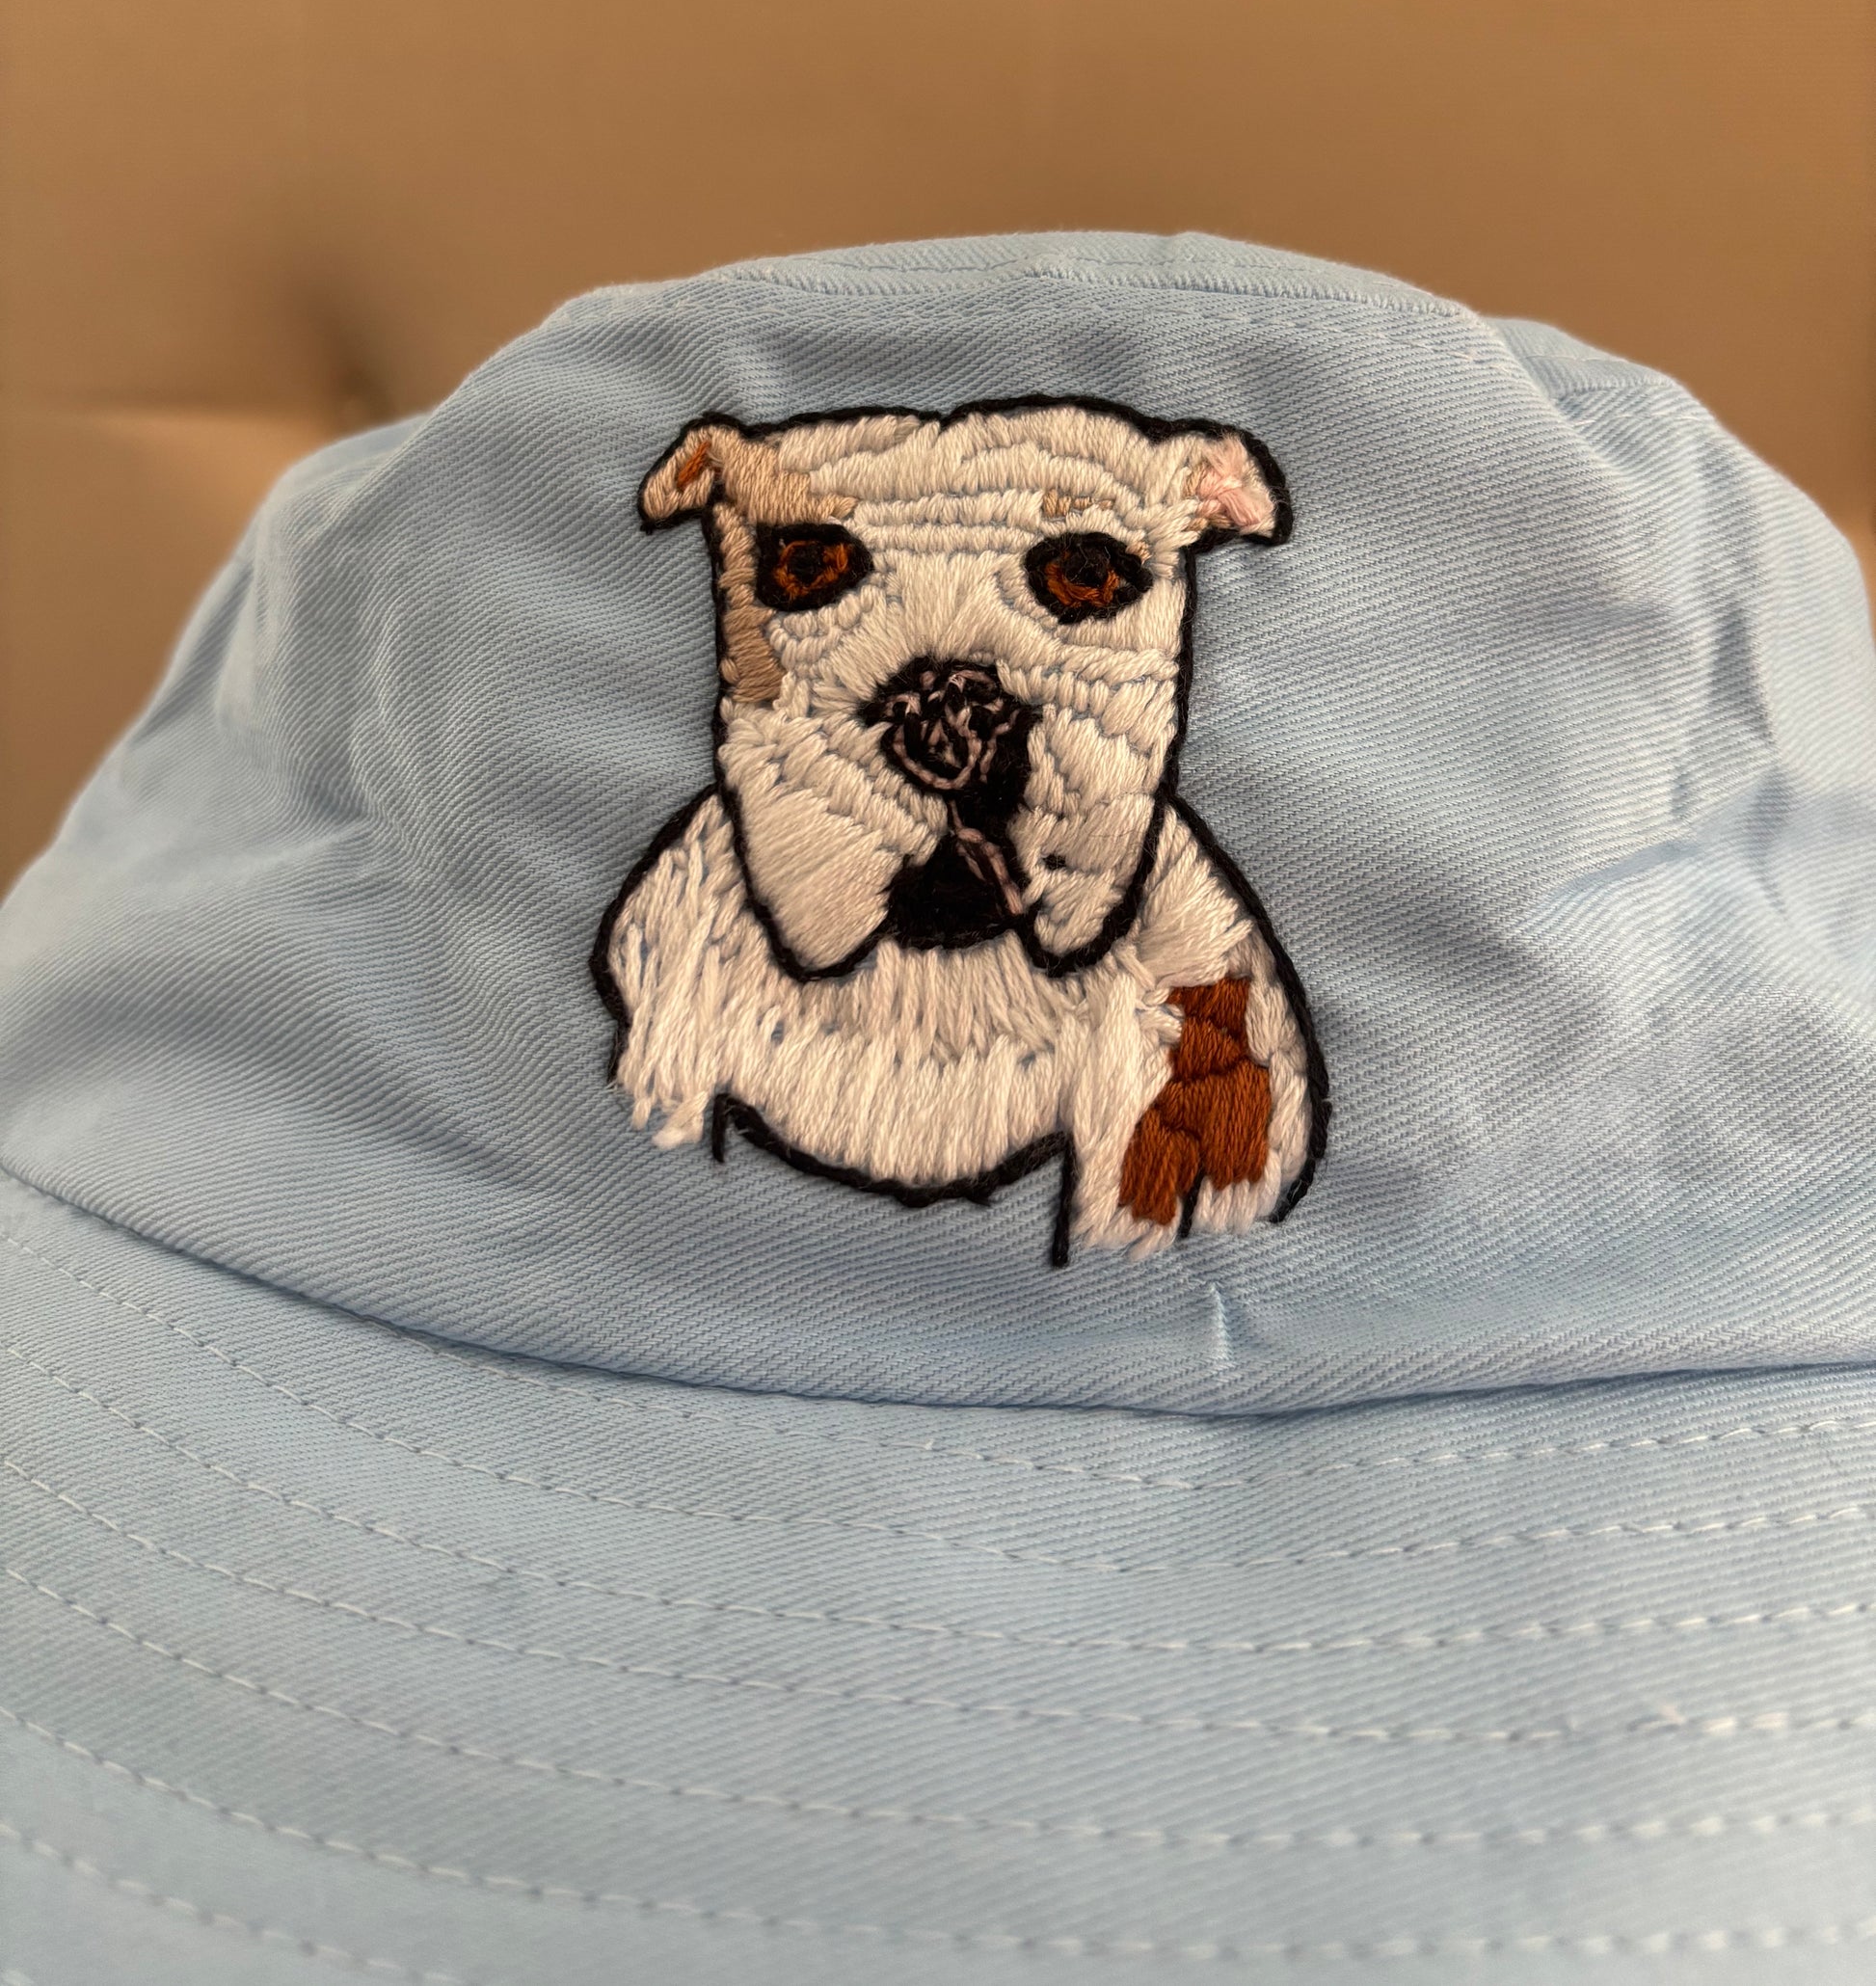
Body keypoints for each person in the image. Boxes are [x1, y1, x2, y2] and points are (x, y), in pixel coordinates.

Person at [6, 231, 1874, 1982]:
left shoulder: (1208, 1020)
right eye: (817, 568)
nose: (945, 697)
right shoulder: (668, 963)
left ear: (1201, 539)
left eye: (1080, 578)